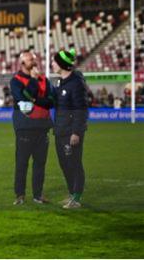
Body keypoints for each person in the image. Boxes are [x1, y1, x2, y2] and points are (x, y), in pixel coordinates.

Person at [9, 51, 54, 205]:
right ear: (22, 63)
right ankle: (20, 195)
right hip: (25, 127)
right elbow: (22, 98)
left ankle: (38, 194)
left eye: (35, 59)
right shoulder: (16, 80)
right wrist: (34, 83)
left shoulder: (44, 80)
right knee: (22, 163)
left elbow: (50, 101)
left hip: (42, 127)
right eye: (30, 60)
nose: (34, 62)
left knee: (40, 164)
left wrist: (35, 99)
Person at [51, 48, 89, 209]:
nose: (52, 64)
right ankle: (71, 194)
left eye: (54, 62)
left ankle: (77, 197)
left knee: (74, 164)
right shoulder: (60, 82)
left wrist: (76, 132)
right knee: (64, 164)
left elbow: (81, 109)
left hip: (70, 132)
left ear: (61, 64)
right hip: (59, 130)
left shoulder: (76, 83)